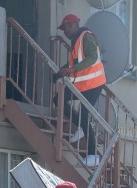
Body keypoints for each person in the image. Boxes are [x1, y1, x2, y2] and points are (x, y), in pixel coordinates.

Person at [55, 13, 107, 167]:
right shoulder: (76, 41)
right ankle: (81, 126)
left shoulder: (86, 37)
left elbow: (92, 58)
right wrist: (60, 71)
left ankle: (93, 156)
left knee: (85, 114)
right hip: (83, 85)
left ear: (72, 25)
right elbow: (75, 62)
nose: (64, 31)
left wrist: (71, 69)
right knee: (58, 99)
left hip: (94, 84)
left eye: (65, 28)